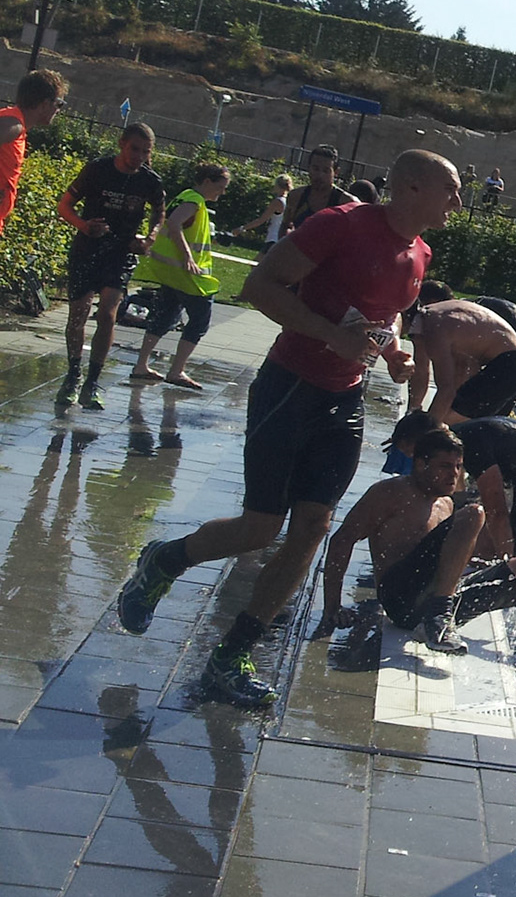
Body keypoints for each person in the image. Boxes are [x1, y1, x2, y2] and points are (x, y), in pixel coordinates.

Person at [114, 149, 462, 707]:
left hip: (345, 399)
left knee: (312, 528)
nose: (460, 201)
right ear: (413, 188)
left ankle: (230, 657)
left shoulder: (420, 252)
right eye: (452, 188)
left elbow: (385, 312)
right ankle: (165, 559)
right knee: (259, 529)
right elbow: (261, 286)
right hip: (291, 387)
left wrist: (391, 351)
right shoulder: (340, 226)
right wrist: (330, 336)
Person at [317, 426, 516, 657]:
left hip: (437, 603)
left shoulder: (447, 503)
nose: (454, 475)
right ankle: (439, 616)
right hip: (401, 599)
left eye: (458, 466)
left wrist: (482, 567)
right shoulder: (389, 493)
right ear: (421, 463)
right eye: (444, 466)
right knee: (475, 513)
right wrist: (332, 606)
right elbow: (341, 542)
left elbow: (449, 559)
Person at [55, 122, 168, 411]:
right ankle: (72, 375)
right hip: (88, 248)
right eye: (134, 149)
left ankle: (93, 381)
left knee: (107, 314)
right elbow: (64, 205)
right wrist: (83, 225)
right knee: (78, 314)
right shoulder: (98, 170)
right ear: (121, 144)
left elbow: (159, 212)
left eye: (145, 152)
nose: (138, 156)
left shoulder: (149, 181)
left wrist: (150, 238)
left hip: (121, 252)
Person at [385, 411, 516, 558]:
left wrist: (506, 565)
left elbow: (496, 509)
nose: (417, 462)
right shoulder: (460, 436)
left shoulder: (470, 444)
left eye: (414, 454)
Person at [128, 161, 231, 391]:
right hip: (186, 273)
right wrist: (188, 257)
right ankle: (176, 371)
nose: (222, 192)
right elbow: (174, 224)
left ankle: (141, 365)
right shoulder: (194, 201)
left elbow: (177, 225)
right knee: (200, 320)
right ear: (206, 182)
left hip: (168, 270)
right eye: (220, 186)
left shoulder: (185, 196)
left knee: (164, 316)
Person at [403, 282, 516, 423]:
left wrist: (419, 431)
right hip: (513, 360)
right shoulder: (431, 317)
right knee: (451, 419)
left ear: (407, 318)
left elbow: (446, 390)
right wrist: (412, 413)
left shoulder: (434, 326)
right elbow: (421, 370)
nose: (411, 338)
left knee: (448, 421)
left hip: (512, 364)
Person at [0, 68, 67, 239]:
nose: (58, 110)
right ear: (45, 104)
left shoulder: (15, 124)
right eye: (59, 103)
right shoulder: (13, 125)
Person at [285, 145, 357, 231]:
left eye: (326, 171)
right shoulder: (296, 196)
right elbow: (285, 226)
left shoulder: (347, 203)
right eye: (315, 168)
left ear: (336, 172)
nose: (320, 175)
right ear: (309, 168)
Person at [239, 173, 293, 245]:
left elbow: (261, 220)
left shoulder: (277, 202)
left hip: (273, 238)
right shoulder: (290, 201)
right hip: (282, 238)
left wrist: (242, 228)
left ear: (278, 186)